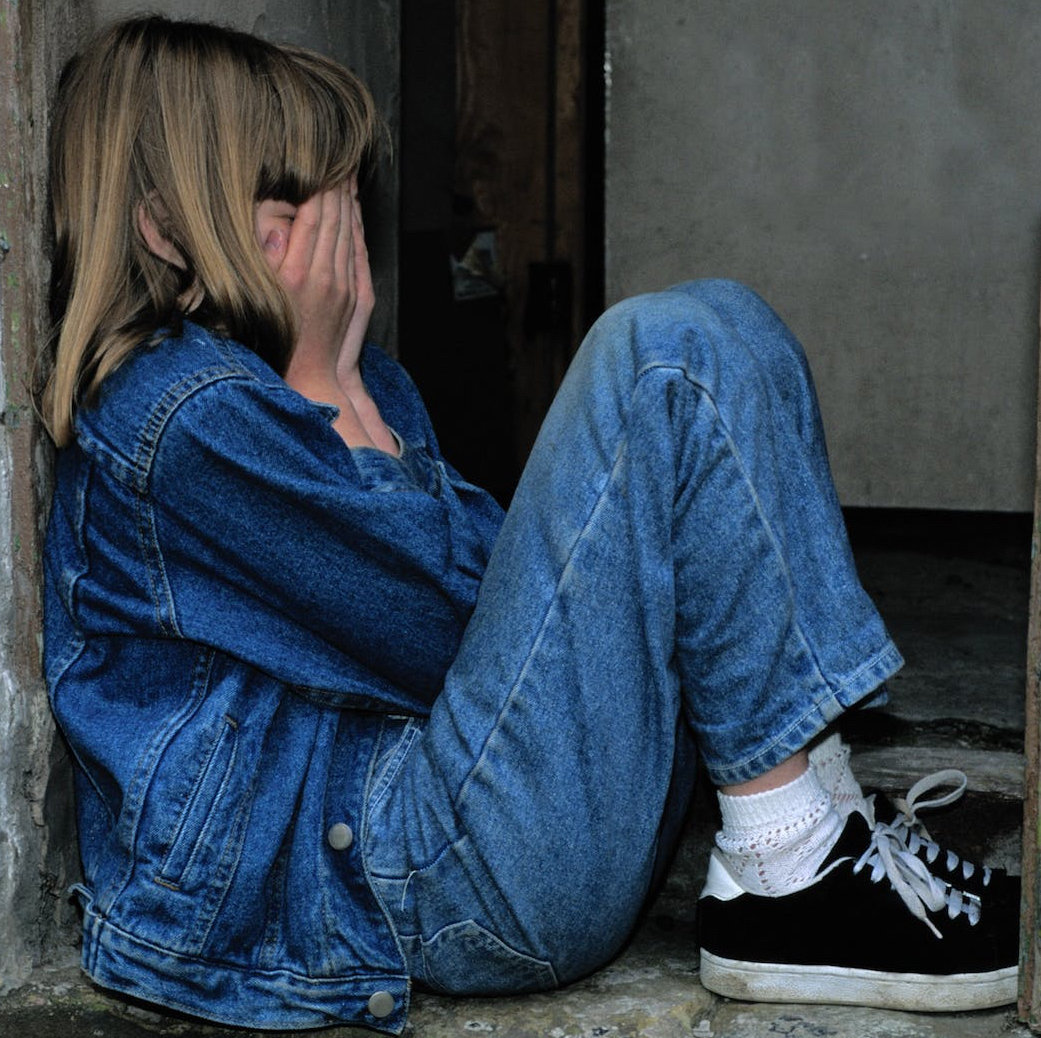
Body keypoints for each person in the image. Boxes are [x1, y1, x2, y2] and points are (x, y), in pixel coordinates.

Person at [40, 15, 1019, 1034]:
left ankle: (810, 830)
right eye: (291, 205)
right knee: (662, 355)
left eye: (340, 200)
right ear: (163, 228)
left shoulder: (327, 383)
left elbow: (500, 617)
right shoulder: (182, 417)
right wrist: (334, 392)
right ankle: (790, 874)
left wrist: (352, 396)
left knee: (721, 321)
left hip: (462, 826)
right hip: (406, 879)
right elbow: (455, 627)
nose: (338, 244)